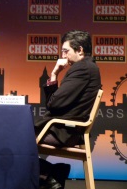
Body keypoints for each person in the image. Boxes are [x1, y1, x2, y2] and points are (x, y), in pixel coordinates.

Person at [35, 30, 102, 189]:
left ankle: (52, 173)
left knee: (17, 140)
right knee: (19, 137)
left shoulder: (82, 68)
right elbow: (55, 102)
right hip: (68, 130)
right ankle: (54, 174)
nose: (63, 56)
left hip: (63, 131)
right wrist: (55, 74)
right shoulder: (88, 67)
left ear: (80, 50)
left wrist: (53, 75)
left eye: (66, 51)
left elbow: (54, 104)